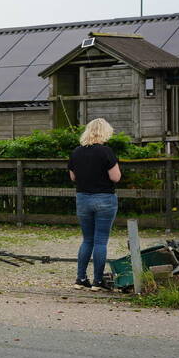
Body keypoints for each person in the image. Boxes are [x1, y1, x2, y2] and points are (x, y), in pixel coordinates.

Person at [68, 118, 122, 291]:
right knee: (100, 241)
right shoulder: (106, 152)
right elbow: (115, 177)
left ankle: (80, 278)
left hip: (83, 198)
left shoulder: (76, 152)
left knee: (87, 240)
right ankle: (98, 281)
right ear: (105, 132)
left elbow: (73, 177)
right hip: (104, 198)